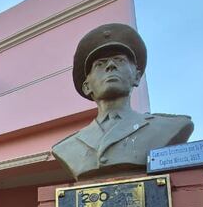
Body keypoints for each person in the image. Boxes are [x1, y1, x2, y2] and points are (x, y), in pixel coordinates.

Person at [51, 23, 193, 180]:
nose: (111, 66)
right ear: (87, 86)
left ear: (137, 77)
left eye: (119, 60)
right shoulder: (67, 147)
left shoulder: (168, 128)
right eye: (100, 64)